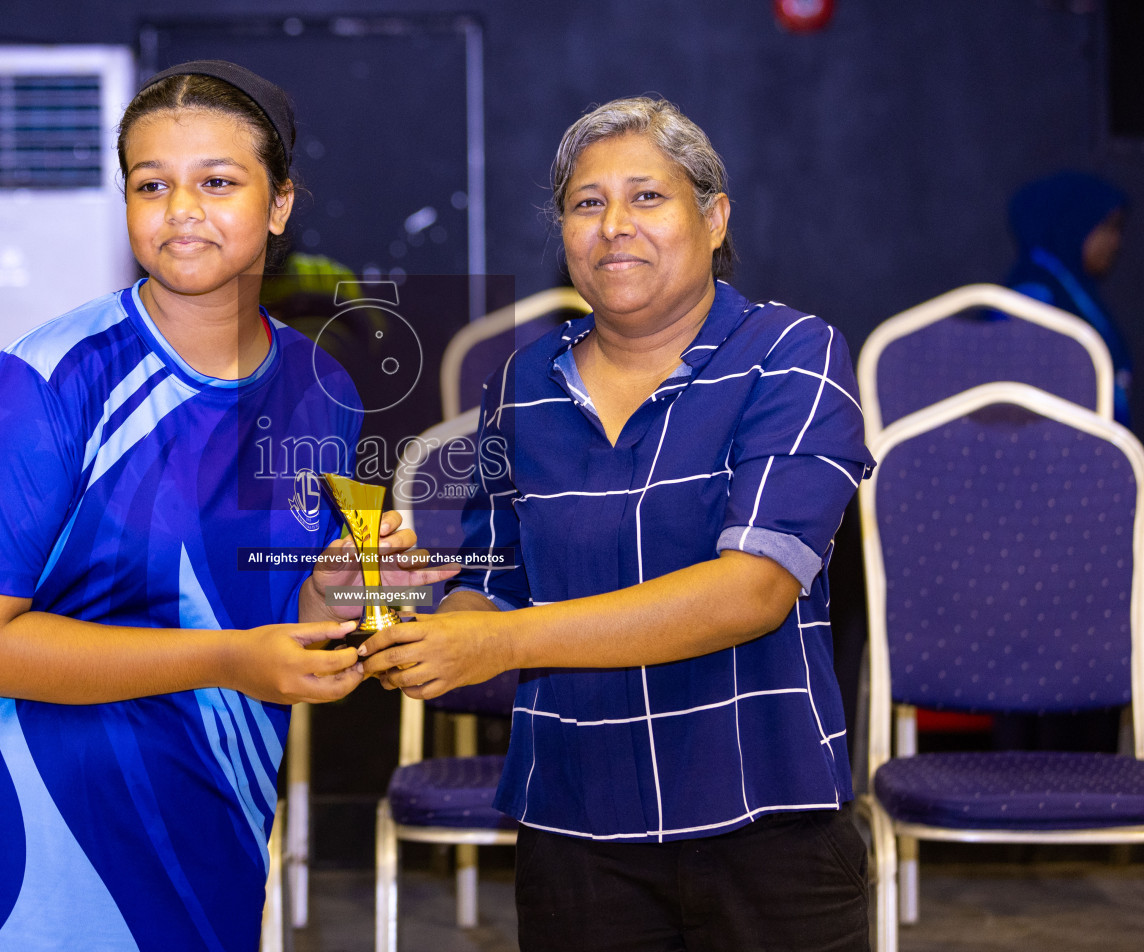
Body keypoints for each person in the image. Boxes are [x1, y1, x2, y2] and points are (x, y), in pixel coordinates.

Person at [0, 60, 453, 952]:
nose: (180, 208)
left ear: (279, 206)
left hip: (212, 802)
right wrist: (234, 659)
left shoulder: (326, 389)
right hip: (32, 823)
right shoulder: (43, 379)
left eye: (217, 182)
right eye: (150, 184)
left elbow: (275, 613)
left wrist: (347, 590)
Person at [362, 97, 875, 951]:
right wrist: (416, 630)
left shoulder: (792, 355)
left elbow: (751, 590)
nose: (613, 226)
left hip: (762, 811)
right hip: (574, 824)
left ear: (713, 219)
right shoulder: (521, 383)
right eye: (586, 203)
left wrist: (500, 644)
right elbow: (493, 589)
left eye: (647, 197)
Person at [1004, 171, 1131, 428]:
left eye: (1119, 229)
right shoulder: (1033, 293)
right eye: (1106, 227)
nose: (1115, 242)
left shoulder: (1072, 288)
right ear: (1074, 222)